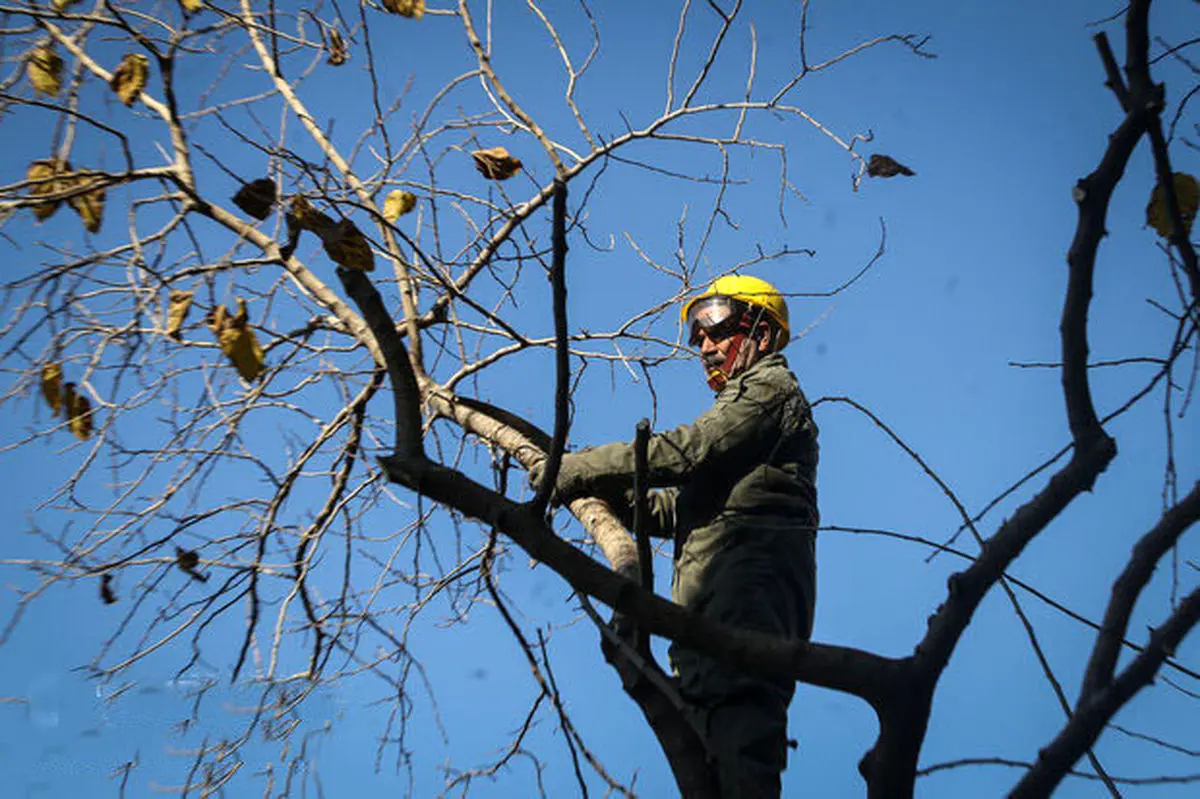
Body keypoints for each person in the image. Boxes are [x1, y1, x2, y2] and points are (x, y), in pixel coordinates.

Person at [535, 274, 819, 798]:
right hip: (712, 604)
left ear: (761, 329)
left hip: (747, 592)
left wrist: (581, 468)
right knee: (708, 742)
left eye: (717, 330)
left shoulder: (771, 391)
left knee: (739, 736)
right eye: (698, 338)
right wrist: (617, 494)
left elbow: (690, 450)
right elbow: (680, 506)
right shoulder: (740, 404)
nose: (706, 347)